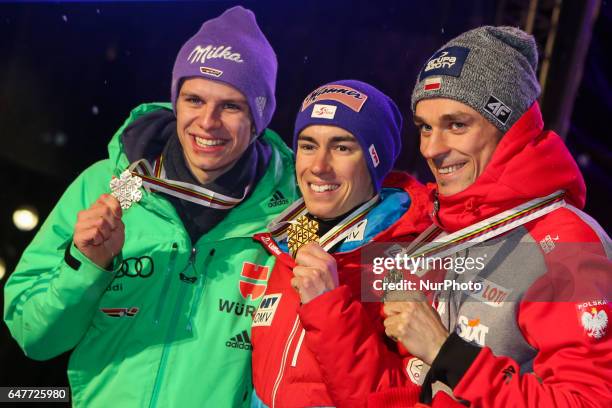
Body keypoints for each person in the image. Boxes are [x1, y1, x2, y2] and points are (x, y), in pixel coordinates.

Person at [3, 6, 297, 407]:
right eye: (194, 99)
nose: (207, 122)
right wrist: (85, 267)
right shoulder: (106, 185)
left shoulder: (292, 216)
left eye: (231, 106)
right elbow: (33, 337)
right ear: (176, 100)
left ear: (259, 116)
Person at [380, 26, 612, 407]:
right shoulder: (433, 231)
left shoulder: (567, 243)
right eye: (424, 127)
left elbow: (588, 402)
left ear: (510, 128)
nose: (432, 149)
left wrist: (446, 353)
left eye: (457, 125)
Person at [249, 80, 432, 408]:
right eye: (307, 146)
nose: (319, 166)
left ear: (375, 161)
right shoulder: (285, 242)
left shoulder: (406, 258)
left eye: (342, 147)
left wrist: (329, 306)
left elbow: (401, 398)